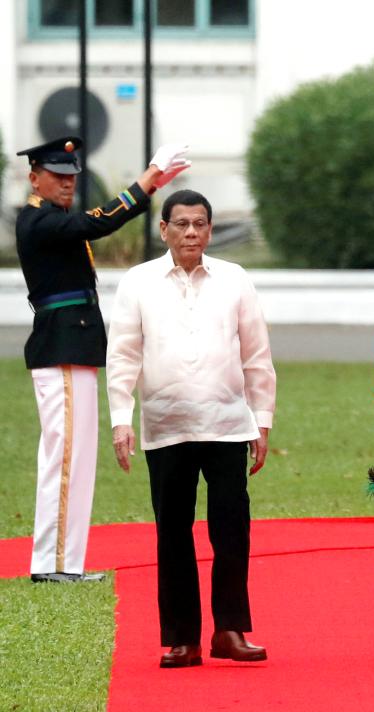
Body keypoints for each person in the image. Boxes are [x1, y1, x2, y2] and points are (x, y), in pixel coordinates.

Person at [106, 189, 276, 668]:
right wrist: (122, 419)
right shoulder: (138, 283)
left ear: (210, 229)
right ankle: (182, 638)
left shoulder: (234, 279)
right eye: (180, 224)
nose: (191, 233)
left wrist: (261, 421)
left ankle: (230, 630)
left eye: (200, 224)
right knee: (172, 533)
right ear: (163, 229)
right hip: (165, 425)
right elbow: (122, 356)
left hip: (226, 424)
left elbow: (256, 354)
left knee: (232, 530)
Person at [15, 136, 190, 583]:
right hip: (61, 350)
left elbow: (91, 223)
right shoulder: (38, 221)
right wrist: (149, 180)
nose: (68, 183)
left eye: (71, 176)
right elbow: (99, 223)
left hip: (72, 349)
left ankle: (64, 562)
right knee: (65, 457)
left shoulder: (52, 219)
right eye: (57, 176)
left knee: (74, 457)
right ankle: (53, 564)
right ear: (34, 177)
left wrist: (151, 185)